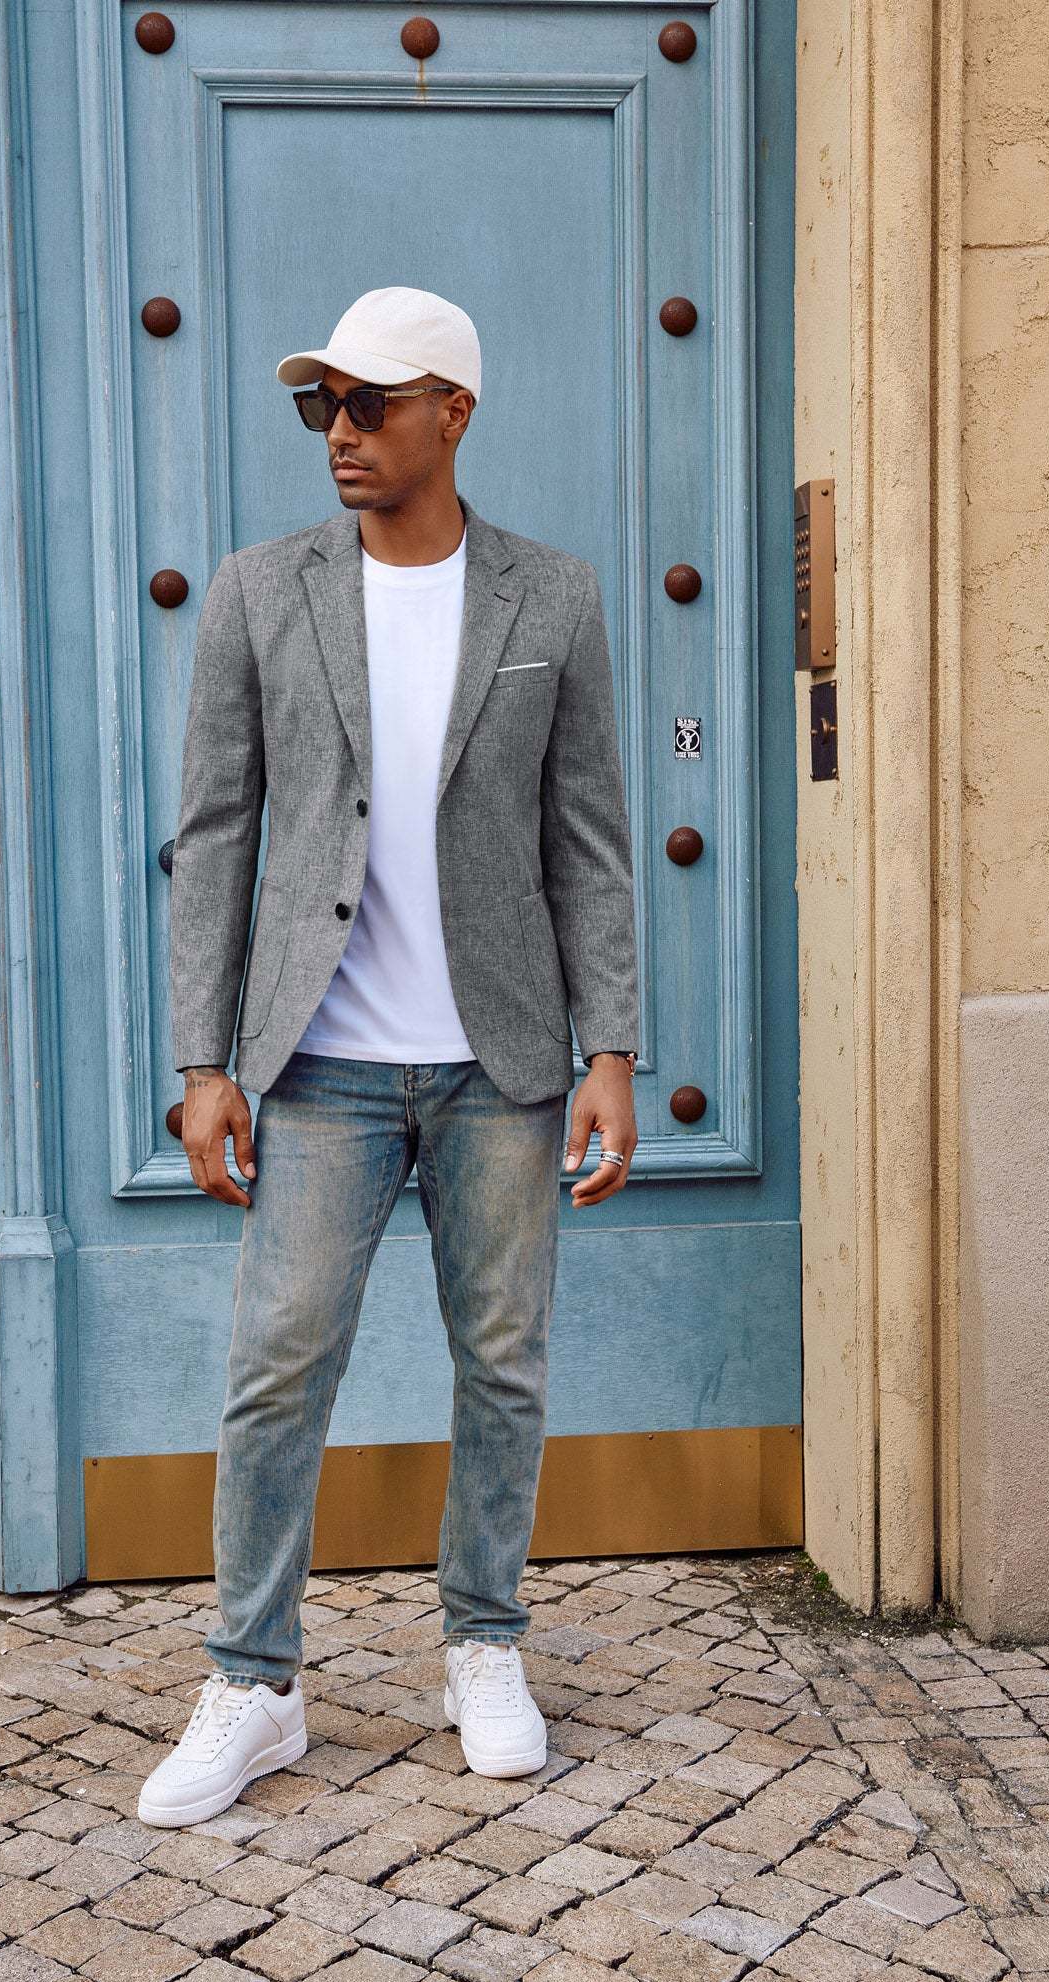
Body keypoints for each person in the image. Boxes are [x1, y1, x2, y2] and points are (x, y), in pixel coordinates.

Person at [139, 287, 640, 1828]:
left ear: (452, 413)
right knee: (275, 1369)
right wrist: (202, 1059)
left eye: (368, 403)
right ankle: (254, 1683)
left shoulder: (551, 598)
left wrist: (610, 1046)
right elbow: (217, 835)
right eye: (322, 406)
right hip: (321, 1064)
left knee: (503, 1364)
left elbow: (589, 840)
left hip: (502, 1060)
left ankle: (482, 1644)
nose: (339, 433)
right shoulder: (258, 591)